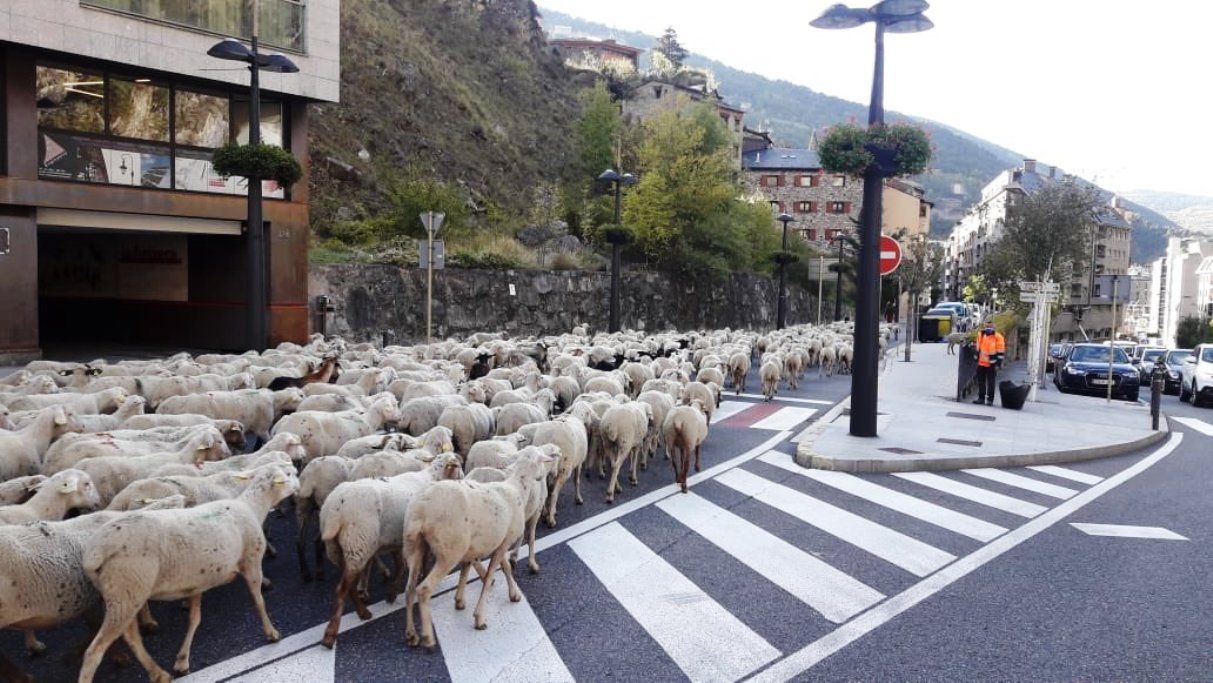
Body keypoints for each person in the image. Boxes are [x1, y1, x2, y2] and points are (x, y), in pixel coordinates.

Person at [973, 319, 1006, 405]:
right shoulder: (980, 334)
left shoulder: (998, 337)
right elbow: (978, 347)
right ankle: (981, 398)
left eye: (990, 326)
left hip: (992, 363)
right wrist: (976, 356)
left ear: (993, 326)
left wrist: (998, 363)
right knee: (981, 381)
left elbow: (1000, 351)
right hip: (981, 362)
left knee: (991, 382)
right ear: (984, 325)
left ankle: (990, 400)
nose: (988, 327)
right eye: (987, 326)